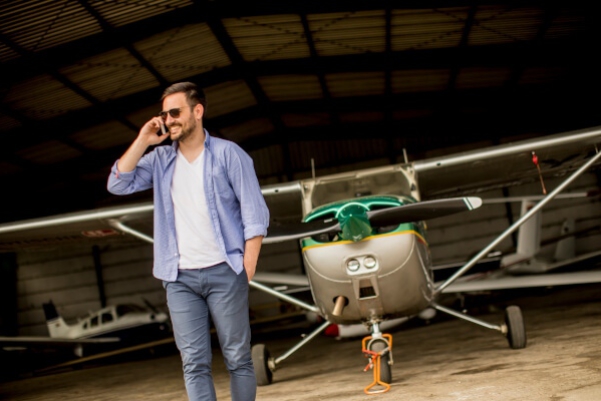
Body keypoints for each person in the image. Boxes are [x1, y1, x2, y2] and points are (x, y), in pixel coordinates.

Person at [107, 81, 269, 401]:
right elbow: (117, 183)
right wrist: (143, 139)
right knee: (194, 363)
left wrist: (246, 266)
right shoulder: (160, 160)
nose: (169, 119)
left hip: (226, 271)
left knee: (237, 358)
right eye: (164, 114)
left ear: (198, 111)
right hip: (179, 278)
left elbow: (255, 214)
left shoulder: (229, 154)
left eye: (175, 112)